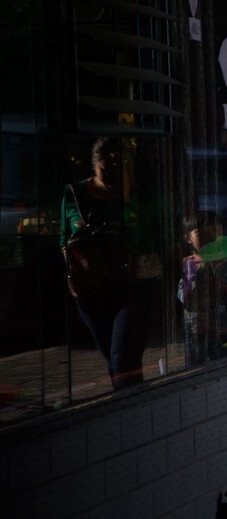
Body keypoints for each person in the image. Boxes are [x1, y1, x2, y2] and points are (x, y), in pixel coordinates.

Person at [60, 136, 145, 389]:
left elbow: (147, 233)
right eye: (105, 170)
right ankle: (132, 408)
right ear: (94, 166)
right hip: (89, 288)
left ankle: (132, 405)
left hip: (125, 285)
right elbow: (64, 239)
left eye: (118, 169)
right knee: (113, 359)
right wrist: (72, 277)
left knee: (121, 356)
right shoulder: (74, 194)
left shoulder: (131, 195)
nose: (111, 177)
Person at [178, 210, 227, 366]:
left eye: (214, 230)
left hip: (225, 330)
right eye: (201, 232)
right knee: (196, 369)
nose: (209, 236)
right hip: (197, 332)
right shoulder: (187, 265)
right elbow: (185, 299)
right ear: (188, 238)